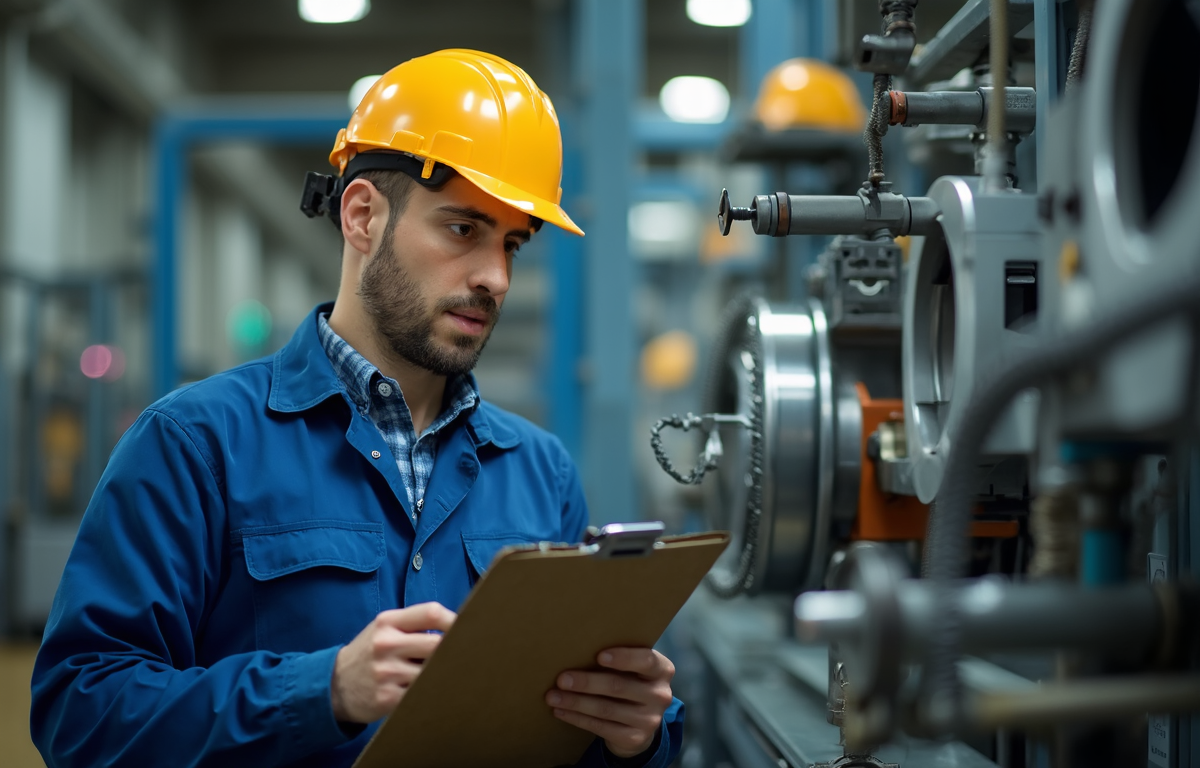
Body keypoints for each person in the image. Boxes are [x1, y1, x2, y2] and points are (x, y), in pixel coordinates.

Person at [30, 49, 683, 768]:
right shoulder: (197, 444)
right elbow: (80, 711)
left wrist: (633, 737)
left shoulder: (539, 470)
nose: (495, 277)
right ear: (363, 215)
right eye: (463, 229)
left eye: (512, 244)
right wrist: (323, 691)